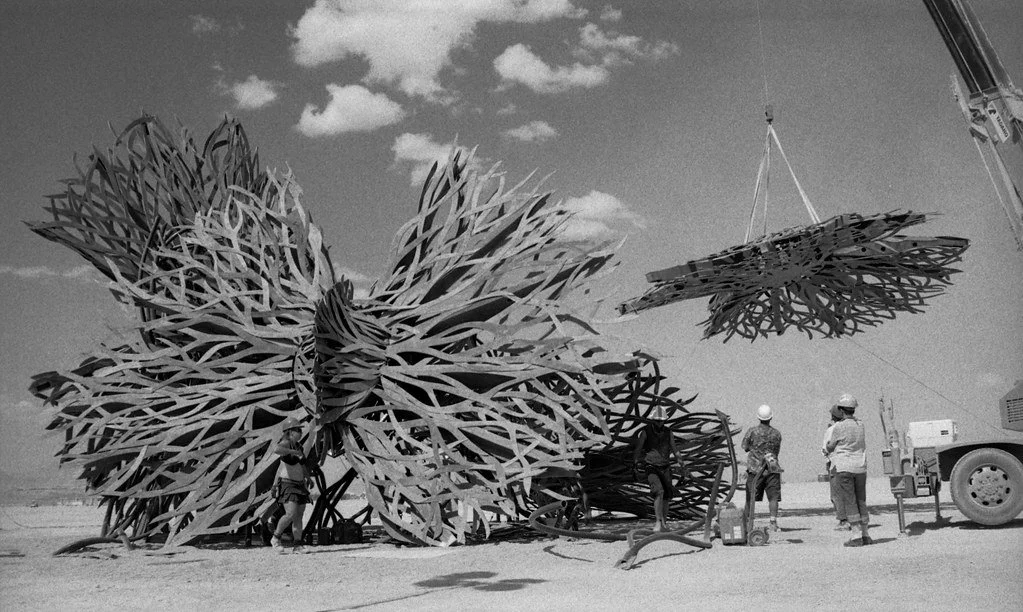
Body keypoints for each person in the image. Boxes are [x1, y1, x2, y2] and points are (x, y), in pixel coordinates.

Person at [825, 393, 872, 547]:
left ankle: (856, 536)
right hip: (861, 467)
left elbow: (830, 446)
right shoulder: (861, 425)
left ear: (841, 409)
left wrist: (829, 446)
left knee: (850, 501)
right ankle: (866, 534)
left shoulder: (838, 427)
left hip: (845, 467)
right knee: (861, 500)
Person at [632, 409, 686, 532]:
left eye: (662, 421)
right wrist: (634, 464)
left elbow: (675, 449)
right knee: (658, 492)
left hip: (665, 466)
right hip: (651, 466)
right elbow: (639, 448)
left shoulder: (668, 432)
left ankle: (664, 523)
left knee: (666, 496)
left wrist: (682, 465)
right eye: (657, 421)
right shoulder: (645, 432)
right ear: (653, 420)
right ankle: (658, 522)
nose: (660, 423)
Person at [271, 418, 314, 554]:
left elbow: (302, 465)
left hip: (300, 484)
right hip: (288, 484)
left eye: (300, 430)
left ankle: (297, 545)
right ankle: (276, 538)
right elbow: (276, 449)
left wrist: (308, 478)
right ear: (290, 432)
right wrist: (293, 452)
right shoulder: (286, 443)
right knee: (290, 513)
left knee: (298, 516)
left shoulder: (299, 446)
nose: (300, 432)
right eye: (297, 430)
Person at [742, 404, 783, 531]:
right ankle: (773, 523)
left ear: (758, 417)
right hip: (772, 468)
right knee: (773, 497)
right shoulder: (777, 433)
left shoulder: (752, 431)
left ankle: (747, 523)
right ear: (771, 417)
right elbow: (776, 451)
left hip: (755, 470)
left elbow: (744, 447)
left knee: (750, 497)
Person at [822, 405, 850, 530]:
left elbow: (825, 449)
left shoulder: (831, 430)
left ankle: (843, 520)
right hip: (851, 463)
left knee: (836, 494)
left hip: (835, 464)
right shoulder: (851, 427)